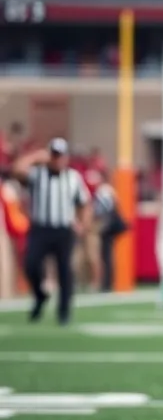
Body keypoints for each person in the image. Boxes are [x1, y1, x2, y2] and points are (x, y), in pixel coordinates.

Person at [12, 138, 91, 324]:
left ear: (66, 157)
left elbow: (84, 203)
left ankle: (64, 312)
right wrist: (36, 156)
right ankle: (40, 295)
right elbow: (16, 170)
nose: (57, 159)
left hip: (63, 230)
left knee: (65, 270)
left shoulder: (73, 177)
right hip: (40, 228)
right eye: (53, 155)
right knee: (31, 265)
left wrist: (82, 224)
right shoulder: (37, 174)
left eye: (60, 155)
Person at [91, 171, 127, 291]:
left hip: (105, 226)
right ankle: (107, 282)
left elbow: (102, 209)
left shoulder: (104, 190)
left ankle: (106, 283)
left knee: (105, 255)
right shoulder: (110, 190)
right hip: (108, 225)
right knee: (107, 255)